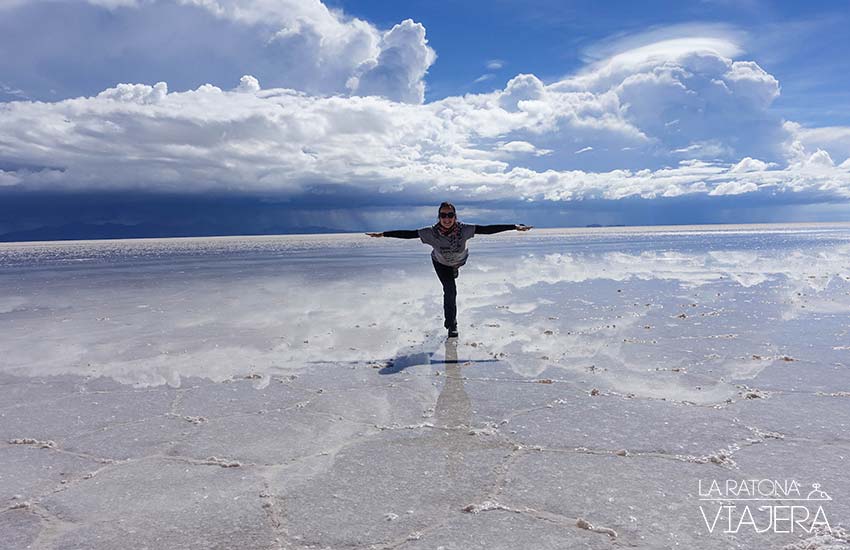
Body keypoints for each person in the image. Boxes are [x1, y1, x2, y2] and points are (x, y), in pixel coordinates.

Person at [367, 202, 532, 337]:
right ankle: (451, 325)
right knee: (450, 290)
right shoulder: (430, 233)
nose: (447, 219)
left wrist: (514, 226)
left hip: (459, 261)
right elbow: (408, 234)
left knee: (453, 275)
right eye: (443, 215)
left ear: (455, 216)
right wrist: (383, 234)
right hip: (440, 263)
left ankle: (454, 273)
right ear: (439, 217)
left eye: (450, 215)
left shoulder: (465, 229)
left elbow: (487, 229)